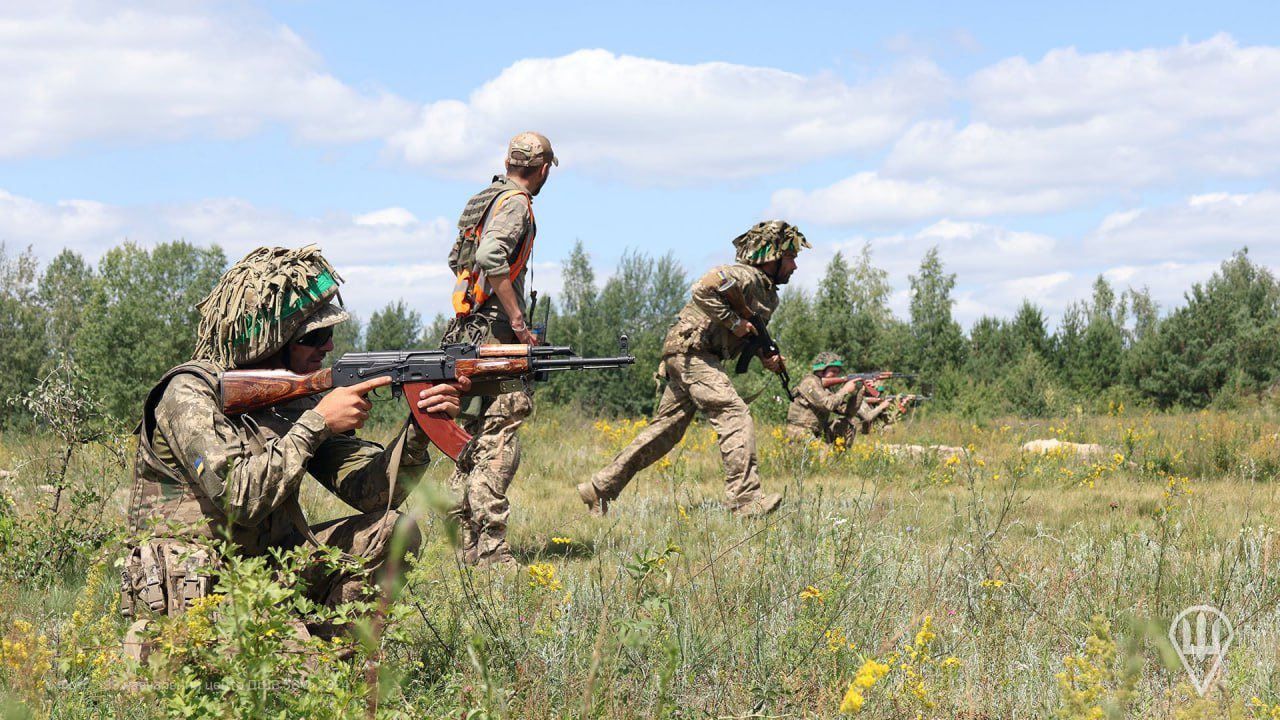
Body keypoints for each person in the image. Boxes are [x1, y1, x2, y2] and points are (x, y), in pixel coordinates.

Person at [123, 245, 465, 626]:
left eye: (329, 333)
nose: (329, 346)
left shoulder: (297, 400)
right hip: (205, 588)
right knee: (284, 680)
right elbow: (240, 498)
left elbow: (373, 494)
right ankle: (304, 658)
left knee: (392, 531)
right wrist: (317, 423)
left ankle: (341, 662)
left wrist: (420, 425)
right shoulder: (188, 393)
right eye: (314, 337)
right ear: (269, 339)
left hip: (272, 570)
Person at [577, 220, 809, 517]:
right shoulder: (744, 276)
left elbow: (748, 335)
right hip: (694, 353)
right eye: (791, 258)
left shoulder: (767, 294)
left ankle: (598, 489)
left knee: (665, 432)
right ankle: (744, 499)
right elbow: (702, 287)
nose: (794, 266)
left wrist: (766, 355)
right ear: (771, 256)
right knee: (733, 413)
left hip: (692, 356)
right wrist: (736, 322)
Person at [441, 132, 557, 567]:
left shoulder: (485, 200)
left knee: (474, 433)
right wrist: (518, 321)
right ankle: (490, 551)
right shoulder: (516, 204)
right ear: (543, 168)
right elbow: (491, 257)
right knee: (502, 430)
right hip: (492, 333)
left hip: (466, 328)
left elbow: (462, 261)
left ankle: (464, 545)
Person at [785, 352, 866, 444]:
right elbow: (827, 404)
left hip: (817, 432)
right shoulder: (809, 382)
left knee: (847, 425)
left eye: (838, 372)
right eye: (833, 371)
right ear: (821, 370)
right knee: (822, 455)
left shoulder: (826, 389)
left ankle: (840, 457)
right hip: (799, 430)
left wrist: (861, 391)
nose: (836, 375)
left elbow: (848, 412)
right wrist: (844, 390)